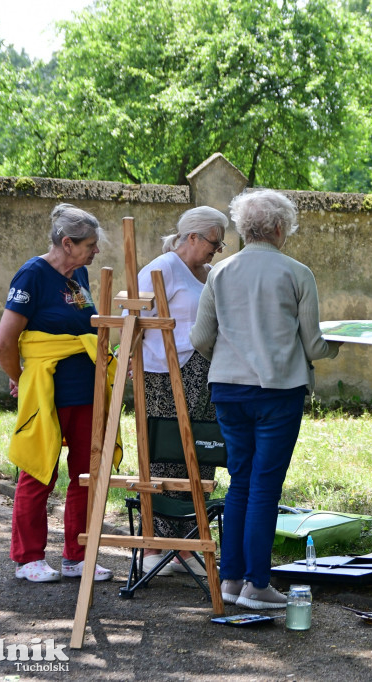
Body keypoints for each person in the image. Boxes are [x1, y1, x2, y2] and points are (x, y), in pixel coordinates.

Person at [190, 189, 340, 609]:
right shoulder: (297, 273)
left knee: (240, 481)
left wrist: (228, 359)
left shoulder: (220, 272)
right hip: (277, 392)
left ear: (244, 227)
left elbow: (201, 338)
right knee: (265, 487)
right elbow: (313, 345)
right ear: (278, 228)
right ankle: (258, 584)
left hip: (227, 390)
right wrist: (336, 348)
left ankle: (231, 581)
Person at [0, 203, 114, 583]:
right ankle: (28, 558)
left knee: (86, 474)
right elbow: (4, 341)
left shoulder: (79, 274)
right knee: (37, 473)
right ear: (67, 242)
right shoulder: (32, 275)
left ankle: (76, 557)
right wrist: (21, 377)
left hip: (86, 393)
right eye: (91, 245)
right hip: (48, 393)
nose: (97, 251)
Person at [137, 206, 228, 577]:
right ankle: (158, 544)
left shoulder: (209, 273)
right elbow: (135, 322)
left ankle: (189, 541)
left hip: (204, 371)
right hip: (164, 373)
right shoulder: (161, 268)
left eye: (220, 244)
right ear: (192, 237)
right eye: (214, 242)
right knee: (167, 454)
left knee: (201, 452)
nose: (216, 250)